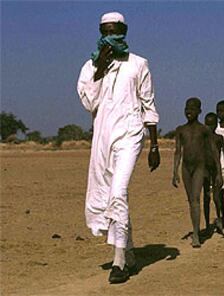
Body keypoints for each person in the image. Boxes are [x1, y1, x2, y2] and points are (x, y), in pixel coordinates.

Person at [77, 12, 160, 284]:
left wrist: (155, 143)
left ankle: (120, 261)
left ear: (124, 32)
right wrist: (100, 67)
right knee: (113, 195)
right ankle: (131, 250)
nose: (111, 37)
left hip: (131, 134)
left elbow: (148, 105)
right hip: (103, 137)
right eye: (106, 32)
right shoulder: (90, 67)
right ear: (100, 34)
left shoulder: (138, 64)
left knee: (118, 192)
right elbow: (90, 103)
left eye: (116, 32)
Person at [172, 98, 222, 248]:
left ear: (199, 111)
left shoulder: (204, 130)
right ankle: (196, 229)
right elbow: (177, 152)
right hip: (186, 168)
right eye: (187, 108)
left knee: (195, 199)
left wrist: (219, 172)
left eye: (193, 109)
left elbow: (213, 151)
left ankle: (195, 234)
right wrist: (174, 171)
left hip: (200, 167)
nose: (189, 111)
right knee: (191, 200)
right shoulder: (181, 130)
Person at [203, 112, 224, 232]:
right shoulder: (202, 139)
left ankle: (219, 218)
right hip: (204, 171)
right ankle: (207, 223)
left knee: (217, 197)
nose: (209, 127)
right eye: (207, 124)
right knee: (206, 197)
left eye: (211, 124)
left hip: (216, 170)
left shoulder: (218, 138)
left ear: (215, 125)